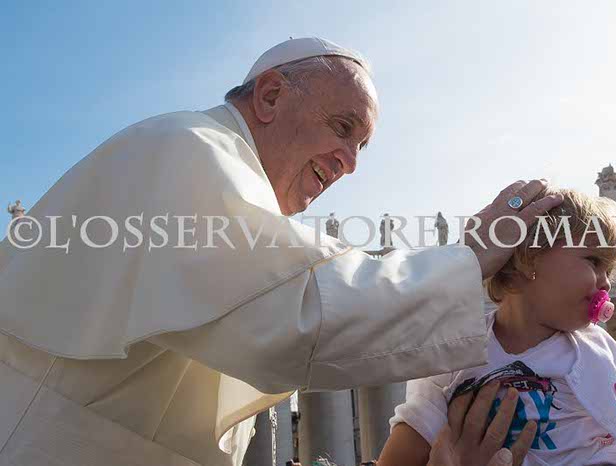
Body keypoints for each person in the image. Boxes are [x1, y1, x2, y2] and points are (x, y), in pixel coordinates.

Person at [0, 37, 561, 466]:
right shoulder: (187, 148)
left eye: (361, 146)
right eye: (342, 127)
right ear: (270, 96)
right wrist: (468, 259)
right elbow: (295, 311)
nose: (351, 163)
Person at [380, 188, 616, 466]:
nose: (605, 283)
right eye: (593, 261)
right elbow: (406, 446)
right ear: (528, 259)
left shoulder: (605, 352)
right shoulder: (453, 355)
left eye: (609, 271)